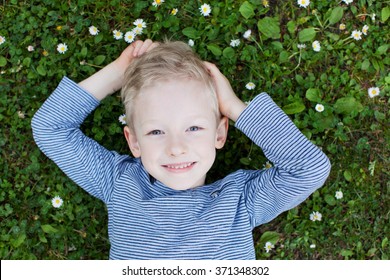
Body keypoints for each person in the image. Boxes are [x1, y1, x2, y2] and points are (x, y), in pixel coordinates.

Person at [32, 39, 331, 259]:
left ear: (220, 133)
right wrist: (119, 73)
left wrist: (235, 107)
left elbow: (308, 169)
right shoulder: (120, 183)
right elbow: (50, 128)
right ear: (134, 141)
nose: (176, 148)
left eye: (194, 128)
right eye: (156, 131)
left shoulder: (240, 201)